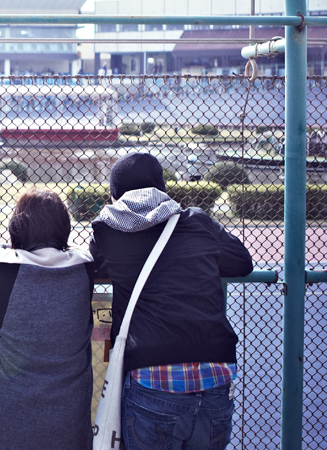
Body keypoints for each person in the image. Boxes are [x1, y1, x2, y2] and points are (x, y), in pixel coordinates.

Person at [89, 152, 253, 450]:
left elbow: (94, 273)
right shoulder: (196, 221)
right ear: (162, 188)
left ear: (114, 194)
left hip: (152, 374)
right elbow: (242, 262)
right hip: (214, 372)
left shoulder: (106, 232)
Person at [0, 187, 94, 450]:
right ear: (64, 227)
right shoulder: (85, 266)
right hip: (68, 413)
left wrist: (6, 247)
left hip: (4, 414)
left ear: (17, 227)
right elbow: (79, 252)